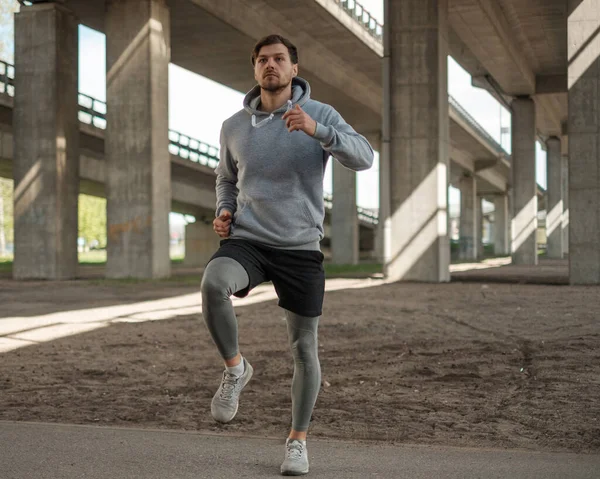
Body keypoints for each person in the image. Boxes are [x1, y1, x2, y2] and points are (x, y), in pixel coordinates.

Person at [200, 34, 373, 476]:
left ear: (295, 69)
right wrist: (224, 209)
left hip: (299, 246)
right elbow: (226, 178)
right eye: (263, 60)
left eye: (279, 59)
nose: (270, 66)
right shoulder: (234, 126)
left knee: (303, 347)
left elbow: (364, 156)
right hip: (249, 239)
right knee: (213, 283)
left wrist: (320, 132)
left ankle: (296, 442)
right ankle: (236, 369)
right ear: (255, 70)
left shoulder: (319, 114)